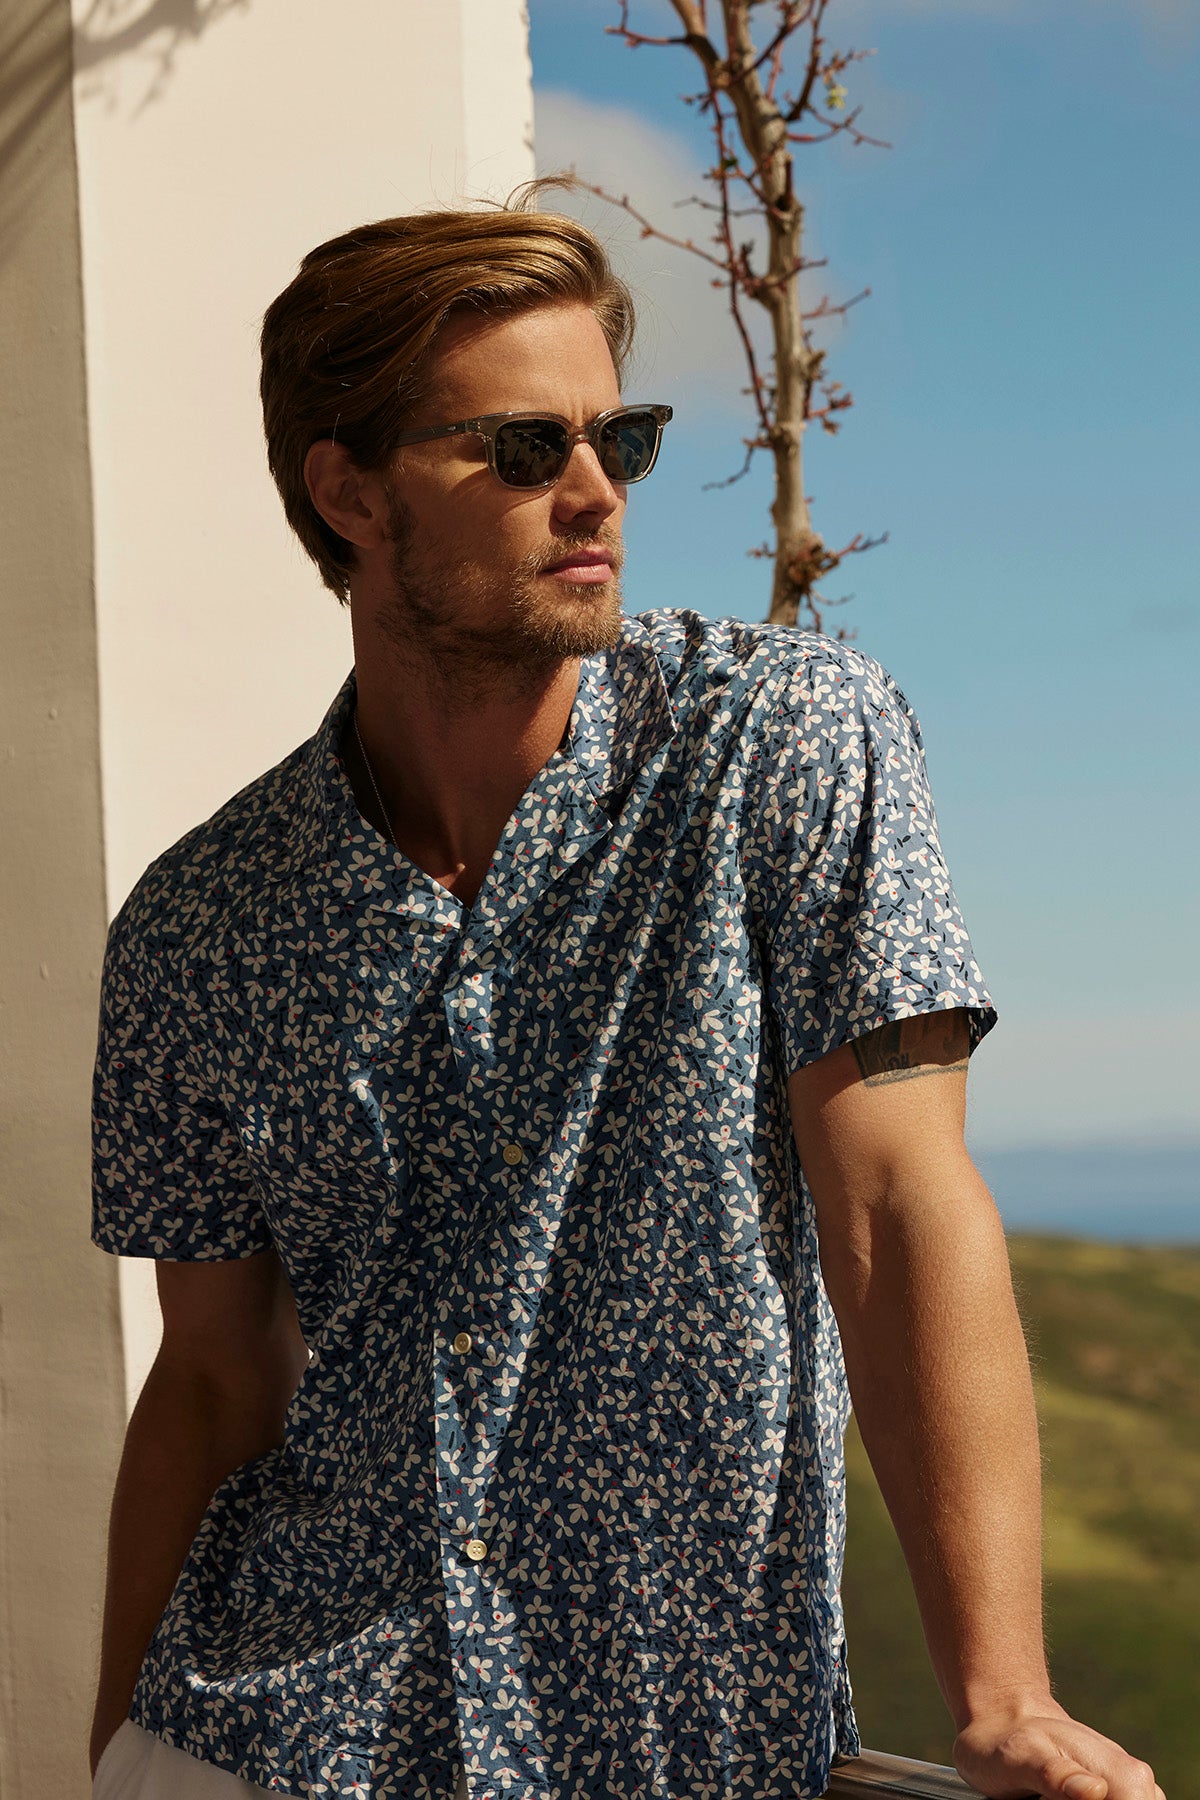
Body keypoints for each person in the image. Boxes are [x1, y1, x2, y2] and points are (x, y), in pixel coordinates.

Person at [87, 183, 1164, 1800]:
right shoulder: (196, 923)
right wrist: (96, 1748)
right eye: (523, 449)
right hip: (269, 1736)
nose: (593, 492)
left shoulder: (785, 742)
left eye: (621, 439)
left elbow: (895, 1206)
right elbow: (216, 1373)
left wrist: (1003, 1691)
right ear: (351, 493)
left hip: (675, 1742)